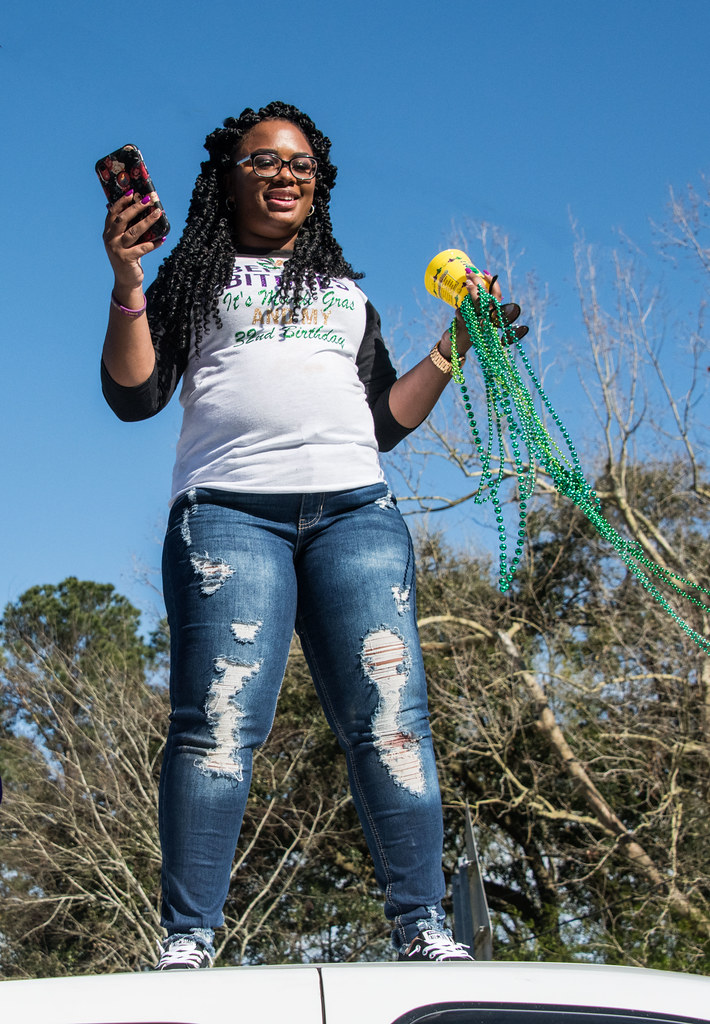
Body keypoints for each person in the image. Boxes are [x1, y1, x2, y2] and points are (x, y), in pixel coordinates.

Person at [100, 101, 524, 970]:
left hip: (356, 518)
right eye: (263, 161)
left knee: (391, 721)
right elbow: (135, 395)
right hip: (229, 516)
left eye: (300, 164)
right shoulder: (191, 275)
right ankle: (189, 939)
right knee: (217, 727)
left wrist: (455, 347)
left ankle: (423, 927)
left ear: (319, 183)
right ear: (229, 175)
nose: (285, 175)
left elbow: (383, 423)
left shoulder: (345, 294)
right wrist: (129, 283)